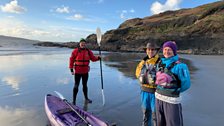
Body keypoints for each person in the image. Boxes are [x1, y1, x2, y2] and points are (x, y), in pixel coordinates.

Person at [154, 41, 191, 126]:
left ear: (174, 51)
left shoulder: (180, 66)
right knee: (159, 123)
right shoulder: (159, 64)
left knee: (173, 123)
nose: (166, 51)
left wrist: (174, 91)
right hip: (158, 98)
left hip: (171, 100)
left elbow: (186, 84)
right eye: (165, 49)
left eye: (169, 49)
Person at [69, 38, 100, 105]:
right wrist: (71, 70)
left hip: (85, 72)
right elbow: (71, 60)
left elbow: (93, 59)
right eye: (81, 43)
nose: (83, 44)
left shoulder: (88, 51)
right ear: (79, 44)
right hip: (77, 71)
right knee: (76, 86)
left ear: (85, 44)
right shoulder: (75, 51)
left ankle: (86, 98)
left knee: (85, 85)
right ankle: (74, 101)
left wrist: (98, 58)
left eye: (84, 43)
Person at [136, 42, 160, 126]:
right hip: (144, 92)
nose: (150, 51)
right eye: (149, 49)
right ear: (146, 50)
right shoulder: (143, 61)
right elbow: (137, 73)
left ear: (156, 51)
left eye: (153, 49)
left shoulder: (159, 62)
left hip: (155, 93)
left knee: (155, 115)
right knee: (145, 114)